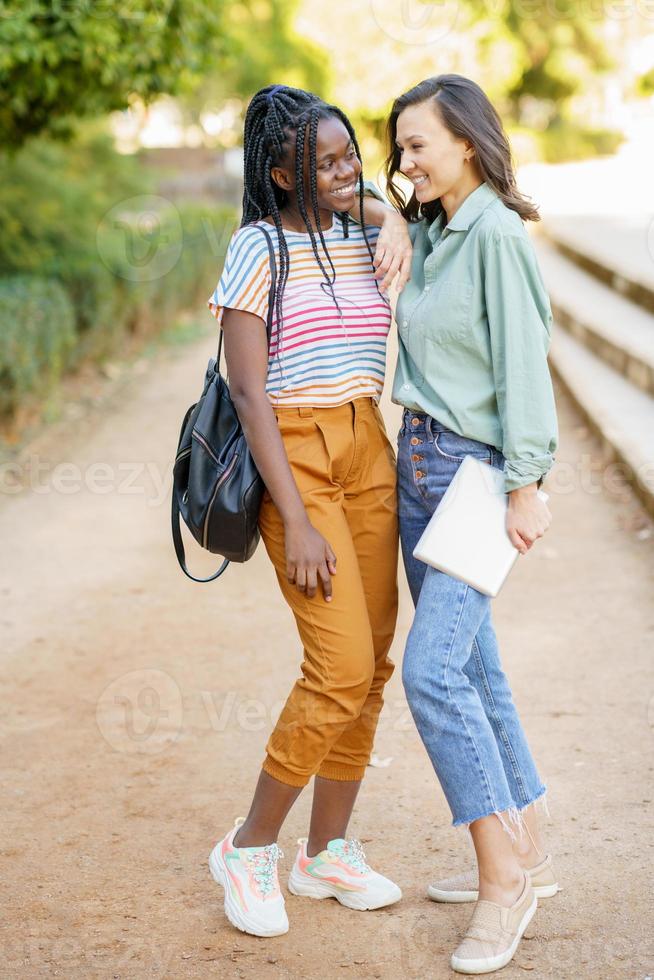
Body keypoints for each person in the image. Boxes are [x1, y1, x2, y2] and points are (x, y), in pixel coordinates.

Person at [359, 74, 560, 975]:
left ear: (467, 143)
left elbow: (525, 364)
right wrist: (393, 209)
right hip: (419, 464)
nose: (404, 161)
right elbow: (344, 184)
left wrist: (528, 481)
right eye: (398, 148)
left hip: (477, 474)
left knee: (433, 674)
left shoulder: (497, 240)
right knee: (475, 664)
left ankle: (502, 882)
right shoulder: (435, 228)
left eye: (417, 146)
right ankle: (529, 842)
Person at [205, 84, 406, 938]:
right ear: (279, 175)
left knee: (375, 668)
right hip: (297, 457)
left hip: (369, 443)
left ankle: (327, 852)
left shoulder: (361, 229)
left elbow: (378, 205)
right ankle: (249, 847)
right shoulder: (257, 248)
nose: (342, 169)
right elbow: (247, 392)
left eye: (347, 154)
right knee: (337, 668)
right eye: (320, 162)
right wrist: (299, 518)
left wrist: (382, 211)